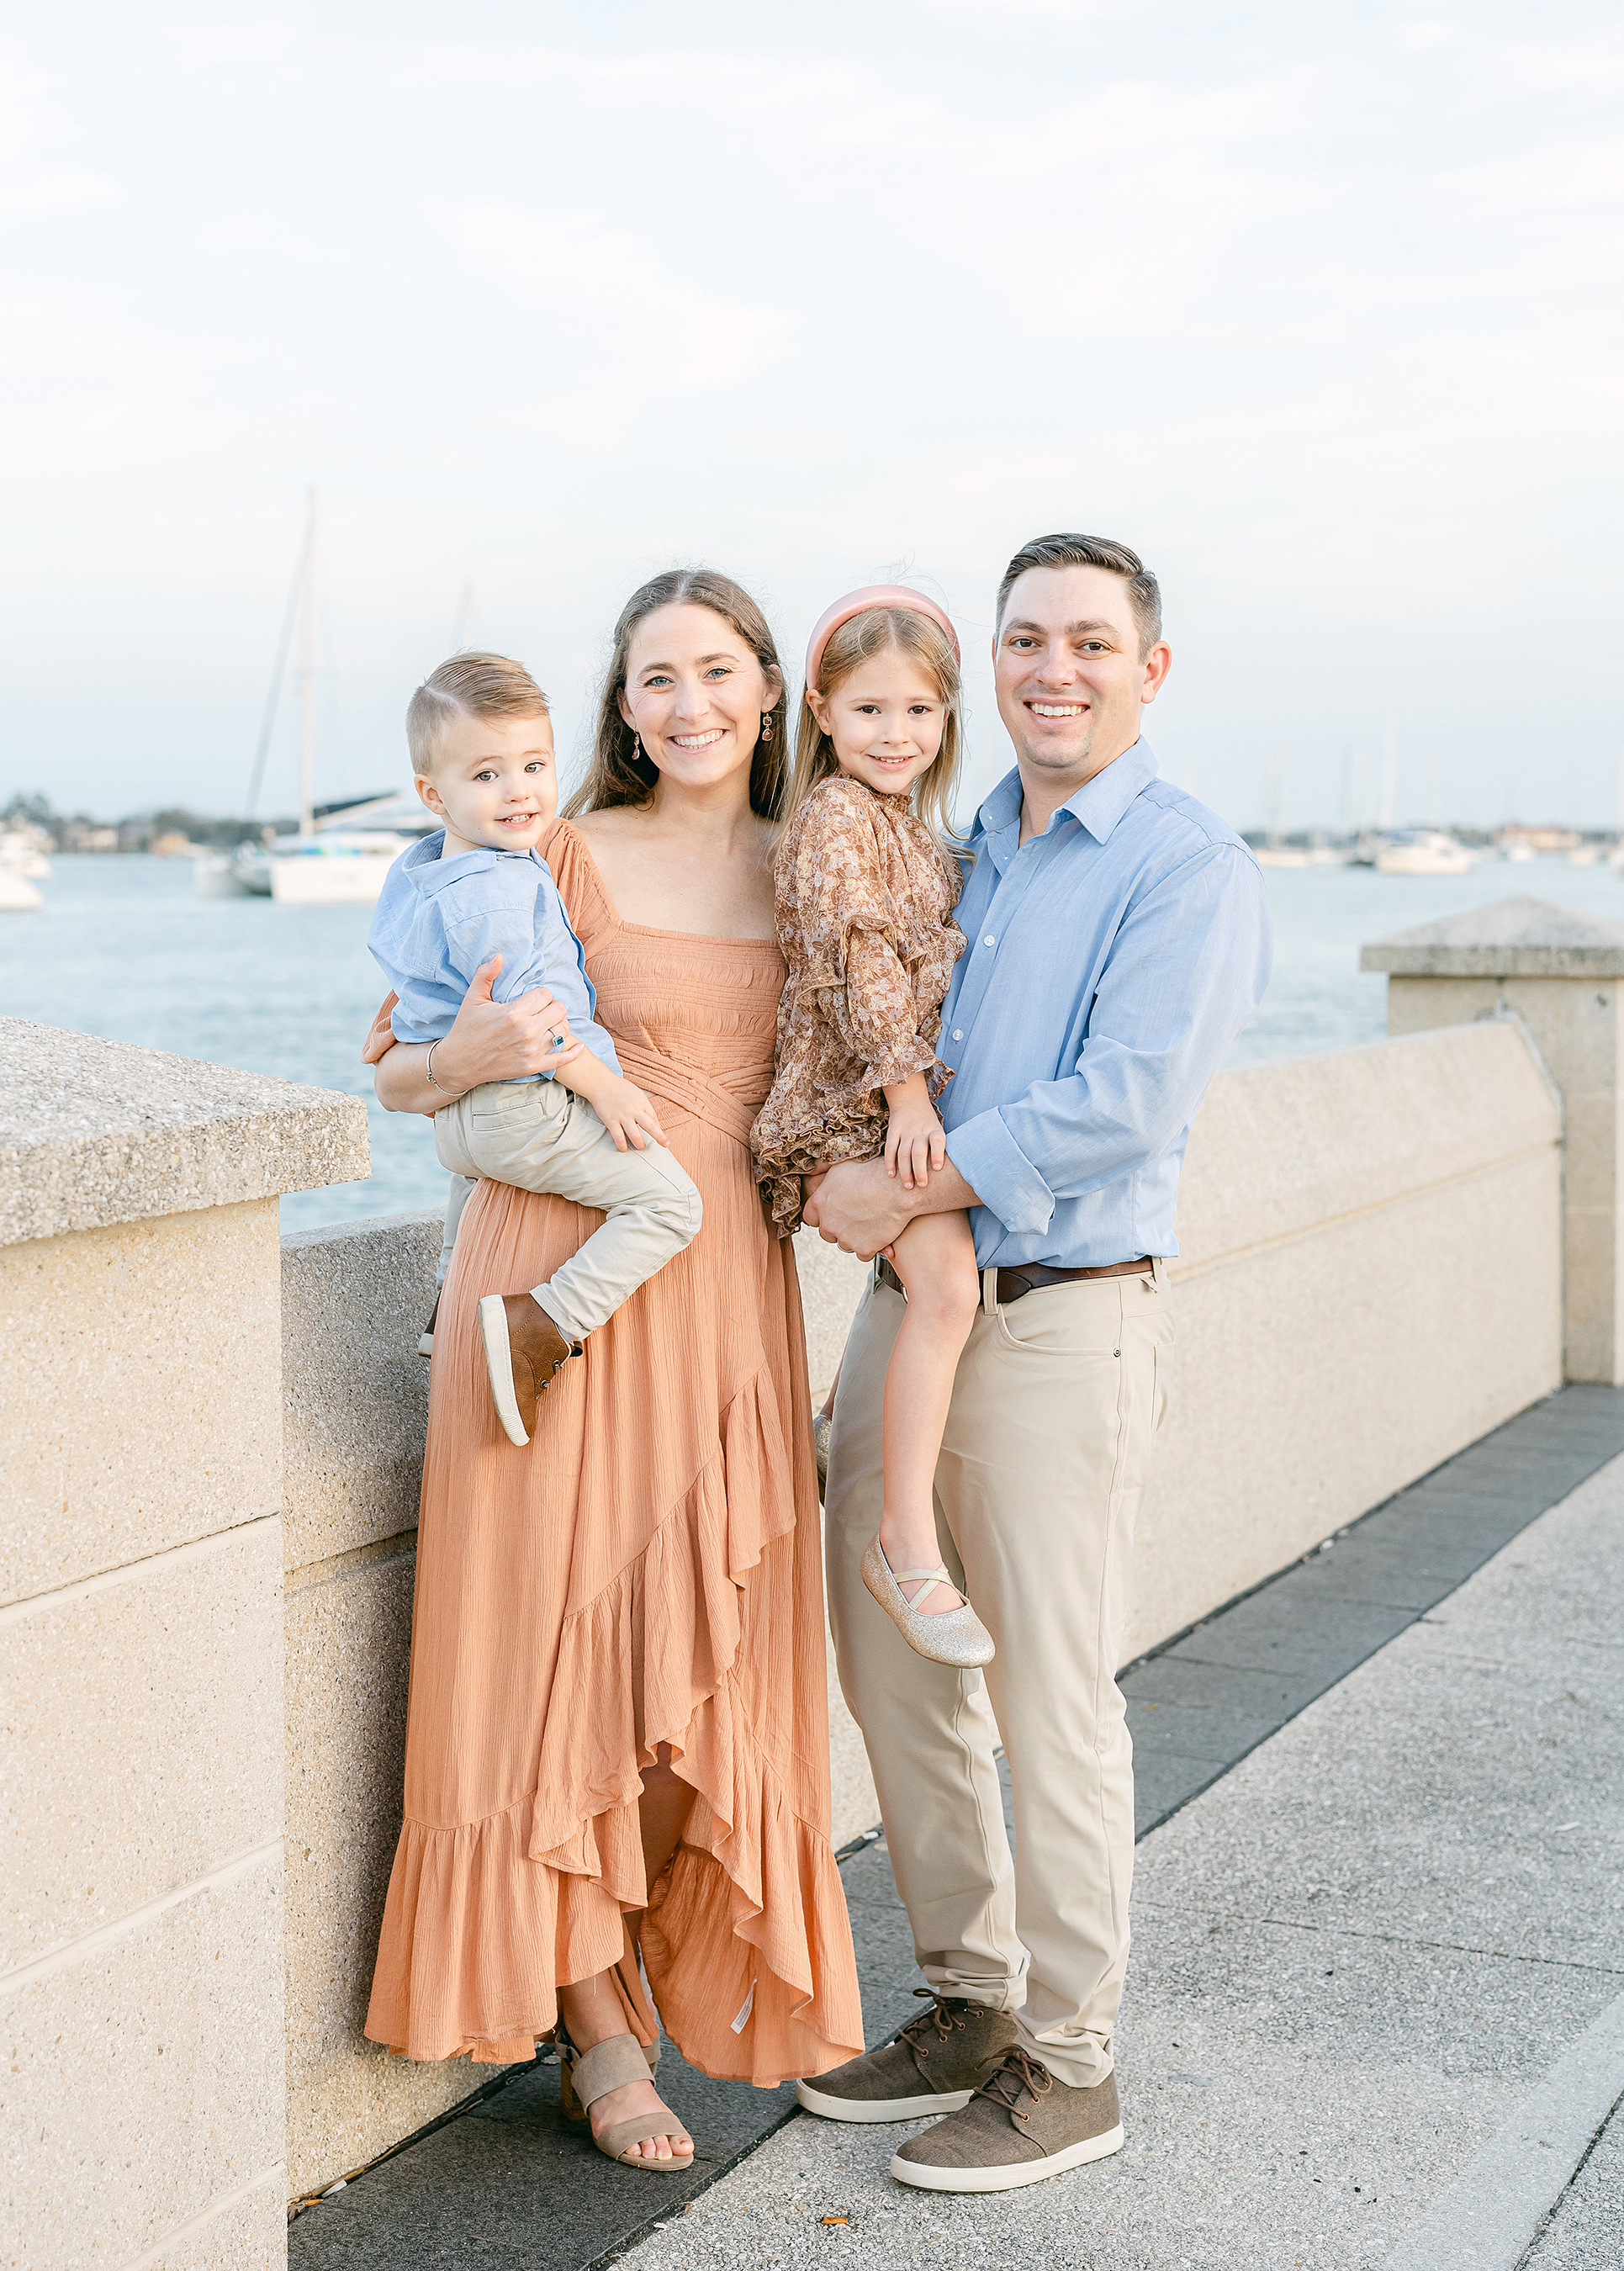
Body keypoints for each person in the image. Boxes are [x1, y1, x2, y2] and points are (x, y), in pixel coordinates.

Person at [363, 570, 864, 2170]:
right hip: (552, 1294)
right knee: (553, 1659)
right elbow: (391, 1070)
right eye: (655, 678)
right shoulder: (549, 849)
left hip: (730, 1306)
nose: (687, 704)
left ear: (769, 690)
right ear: (621, 707)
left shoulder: (824, 868)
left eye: (715, 672)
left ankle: (648, 1965)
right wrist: (473, 1059)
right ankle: (595, 2033)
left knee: (700, 1657)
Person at [799, 533, 1272, 2194]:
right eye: (1020, 641)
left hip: (1061, 1314)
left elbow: (1125, 1101)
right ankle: (967, 2002)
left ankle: (1068, 2065)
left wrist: (889, 1183)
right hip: (909, 1319)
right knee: (892, 1667)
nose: (1047, 670)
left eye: (1084, 641)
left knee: (1043, 1699)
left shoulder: (1179, 863)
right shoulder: (963, 846)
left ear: (1147, 669)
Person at [368, 651, 701, 1446]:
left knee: (473, 1179)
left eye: (533, 764)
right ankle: (543, 1323)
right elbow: (529, 1019)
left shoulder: (423, 870)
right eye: (486, 774)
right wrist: (606, 1088)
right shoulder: (497, 887)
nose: (518, 790)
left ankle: (449, 1303)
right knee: (670, 1204)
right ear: (432, 793)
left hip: (463, 1124)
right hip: (519, 1105)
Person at [751, 587, 990, 1670]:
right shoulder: (840, 817)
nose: (895, 736)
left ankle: (829, 1422)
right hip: (848, 1100)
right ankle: (902, 1547)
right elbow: (861, 962)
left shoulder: (913, 829)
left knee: (916, 1288)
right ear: (821, 711)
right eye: (869, 711)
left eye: (919, 713)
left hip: (883, 1094)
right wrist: (903, 1096)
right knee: (944, 1287)